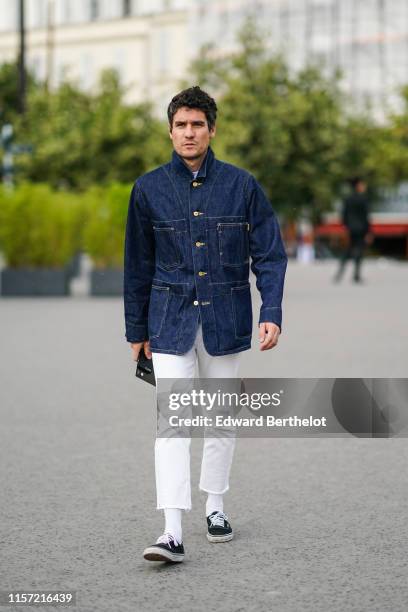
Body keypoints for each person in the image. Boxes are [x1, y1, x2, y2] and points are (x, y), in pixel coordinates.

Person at [123, 86, 287, 563]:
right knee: (172, 424)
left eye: (197, 124)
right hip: (169, 321)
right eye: (181, 125)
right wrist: (136, 332)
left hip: (226, 320)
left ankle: (216, 506)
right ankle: (172, 530)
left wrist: (270, 312)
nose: (189, 132)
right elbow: (137, 265)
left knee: (219, 420)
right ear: (170, 131)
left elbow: (270, 255)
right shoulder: (148, 189)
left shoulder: (242, 185)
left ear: (211, 130)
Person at [334, 177, 371, 283]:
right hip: (361, 229)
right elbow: (366, 217)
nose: (364, 187)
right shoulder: (364, 199)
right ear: (358, 186)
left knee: (347, 251)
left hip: (350, 228)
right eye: (362, 185)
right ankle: (356, 275)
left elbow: (344, 215)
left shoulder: (348, 199)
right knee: (359, 250)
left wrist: (345, 227)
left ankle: (339, 274)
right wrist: (369, 232)